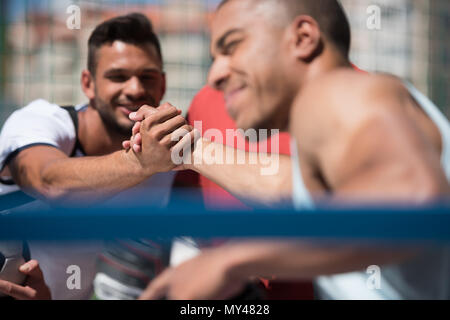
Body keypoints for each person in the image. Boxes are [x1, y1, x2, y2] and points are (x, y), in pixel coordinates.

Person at [134, 0, 450, 300]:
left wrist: (228, 262)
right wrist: (185, 147)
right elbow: (281, 186)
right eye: (215, 57)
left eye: (232, 47)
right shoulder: (353, 113)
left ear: (303, 38)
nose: (215, 75)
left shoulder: (338, 93)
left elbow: (414, 200)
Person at [0, 13, 194, 299]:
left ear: (162, 85)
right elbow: (49, 182)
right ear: (88, 83)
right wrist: (139, 162)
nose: (135, 89)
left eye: (147, 77)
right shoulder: (39, 122)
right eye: (118, 76)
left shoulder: (169, 159)